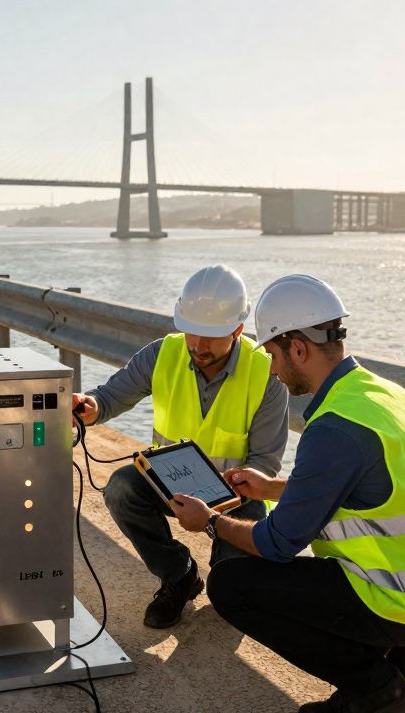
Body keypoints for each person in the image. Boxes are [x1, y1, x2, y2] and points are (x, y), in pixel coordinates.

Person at [169, 274, 405, 713]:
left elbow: (277, 543)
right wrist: (272, 488)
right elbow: (364, 484)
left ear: (298, 348)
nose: (270, 369)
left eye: (271, 354)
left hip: (400, 602)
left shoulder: (332, 429)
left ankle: (376, 689)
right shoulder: (382, 394)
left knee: (232, 586)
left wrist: (209, 521)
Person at [72, 264, 290, 629]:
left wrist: (216, 515)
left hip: (240, 497)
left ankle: (226, 571)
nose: (198, 345)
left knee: (230, 595)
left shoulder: (265, 371)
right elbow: (109, 396)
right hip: (170, 486)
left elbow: (266, 463)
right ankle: (178, 575)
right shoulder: (163, 354)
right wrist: (90, 408)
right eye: (191, 332)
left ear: (237, 330)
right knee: (122, 487)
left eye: (210, 336)